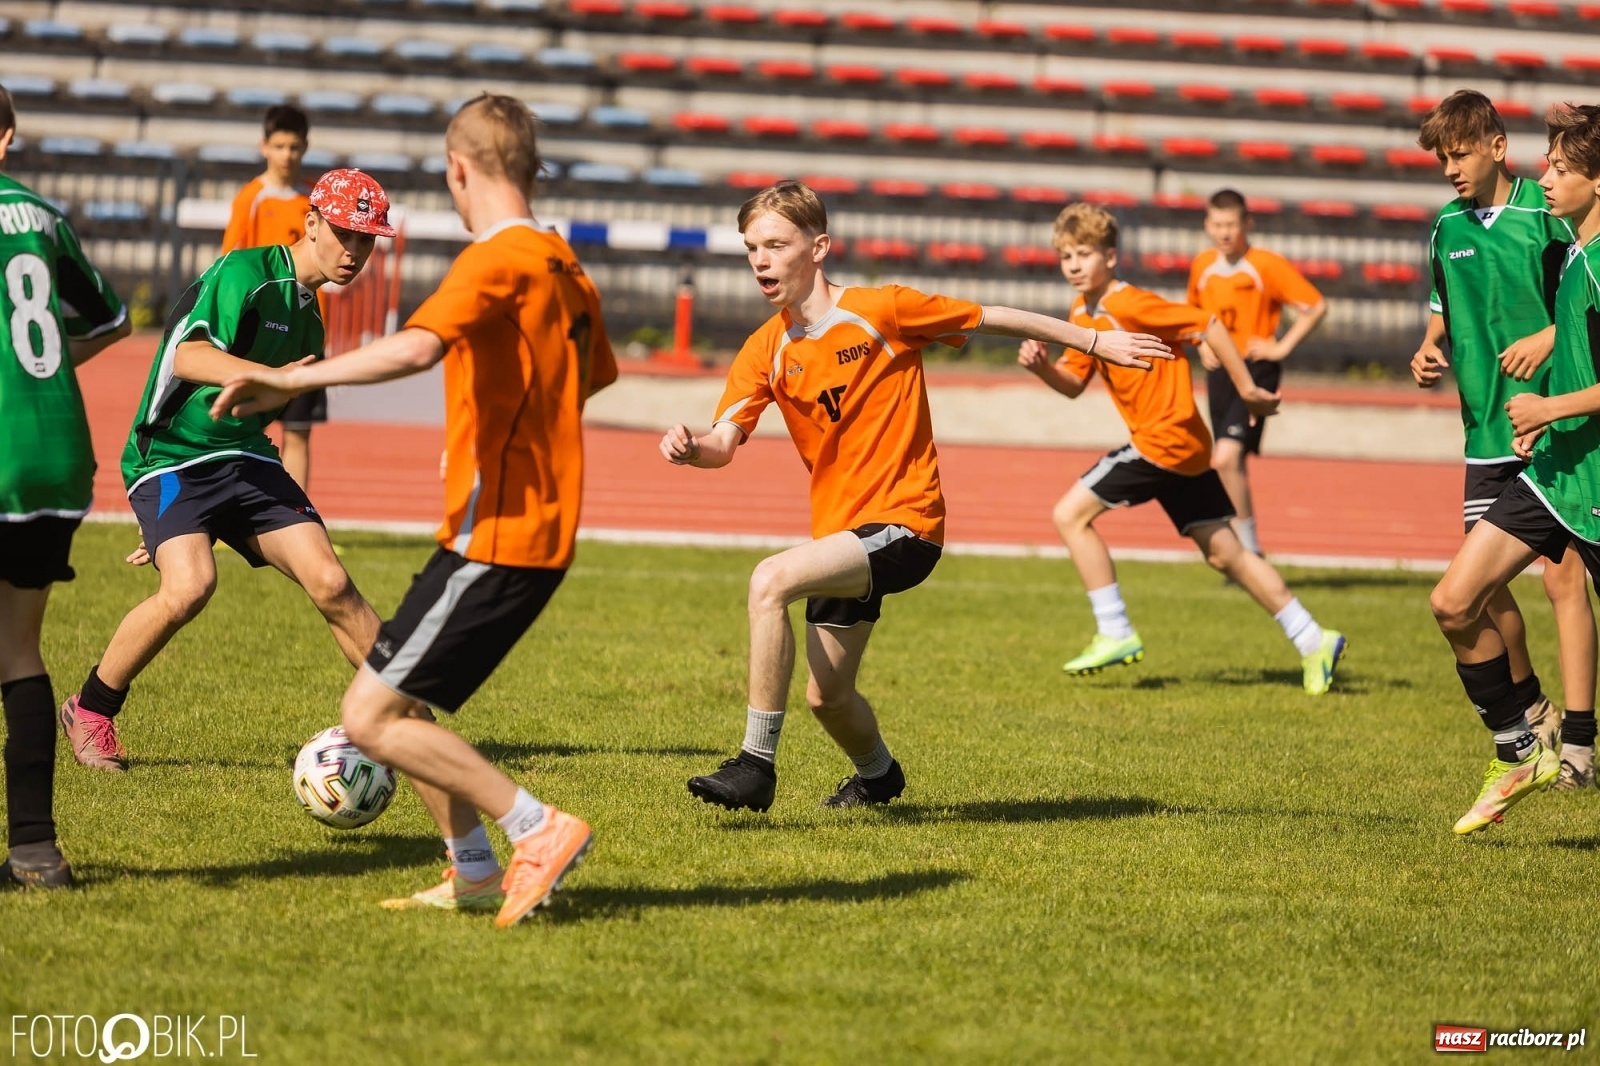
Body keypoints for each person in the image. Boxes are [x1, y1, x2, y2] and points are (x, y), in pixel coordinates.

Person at [211, 93, 617, 926]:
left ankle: (536, 828)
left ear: (457, 170)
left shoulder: (493, 257)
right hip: (518, 526)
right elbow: (593, 377)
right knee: (390, 703)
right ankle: (472, 869)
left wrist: (287, 379)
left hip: (499, 533)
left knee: (369, 714)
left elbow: (418, 346)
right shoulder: (567, 265)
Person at [660, 179, 1174, 813]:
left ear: (818, 247)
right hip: (843, 540)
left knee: (769, 581)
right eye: (750, 249)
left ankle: (755, 764)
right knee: (830, 699)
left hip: (906, 527)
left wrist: (1096, 342)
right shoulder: (765, 349)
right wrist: (692, 447)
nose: (760, 261)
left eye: (775, 244)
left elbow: (990, 316)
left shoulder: (883, 309)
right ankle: (879, 777)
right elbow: (724, 441)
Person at [59, 168, 393, 772]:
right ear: (312, 223)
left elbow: (259, 407)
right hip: (170, 456)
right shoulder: (246, 274)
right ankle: (90, 709)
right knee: (189, 587)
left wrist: (273, 390)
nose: (355, 251)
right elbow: (187, 355)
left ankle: (405, 726)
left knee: (333, 583)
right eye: (345, 233)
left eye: (367, 240)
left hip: (244, 457)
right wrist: (273, 377)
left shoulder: (311, 318)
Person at [1020, 202, 1347, 694]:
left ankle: (1115, 630)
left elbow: (1209, 323)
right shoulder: (1081, 312)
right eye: (1065, 255)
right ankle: (1313, 638)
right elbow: (1073, 383)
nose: (1072, 264)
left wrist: (1249, 390)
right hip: (1183, 446)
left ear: (1110, 257)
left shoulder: (1127, 303)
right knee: (1226, 555)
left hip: (1164, 439)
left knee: (1070, 515)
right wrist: (1044, 368)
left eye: (1083, 253)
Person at [1411, 89, 1596, 790]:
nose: (1451, 169)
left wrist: (1549, 343)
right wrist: (1429, 350)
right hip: (1486, 430)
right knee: (1480, 593)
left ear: (1495, 146)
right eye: (1441, 159)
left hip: (1559, 426)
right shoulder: (1444, 228)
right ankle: (1535, 710)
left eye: (1459, 154)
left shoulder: (1546, 216)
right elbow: (1442, 310)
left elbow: (1581, 299)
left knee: (1561, 581)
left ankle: (1578, 738)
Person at [0, 85, 131, 887]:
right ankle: (36, 850)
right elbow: (112, 318)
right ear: (7, 136)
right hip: (57, 453)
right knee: (17, 644)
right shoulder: (43, 216)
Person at [1187, 189, 1327, 557]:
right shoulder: (1203, 265)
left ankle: (1247, 549)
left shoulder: (1265, 264)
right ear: (1207, 225)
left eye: (1231, 224)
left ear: (1247, 224)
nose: (1224, 232)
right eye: (1217, 224)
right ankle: (1247, 547)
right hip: (1220, 373)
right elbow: (1193, 317)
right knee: (1227, 461)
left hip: (1255, 370)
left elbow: (1315, 307)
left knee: (1227, 458)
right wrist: (1201, 344)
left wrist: (1280, 347)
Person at [221, 105, 327, 495]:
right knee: (242, 427)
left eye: (295, 147)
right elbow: (230, 264)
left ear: (305, 148)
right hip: (261, 336)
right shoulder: (251, 199)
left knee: (298, 432)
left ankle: (300, 514)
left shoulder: (315, 201)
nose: (287, 155)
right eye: (279, 146)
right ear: (264, 146)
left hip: (304, 334)